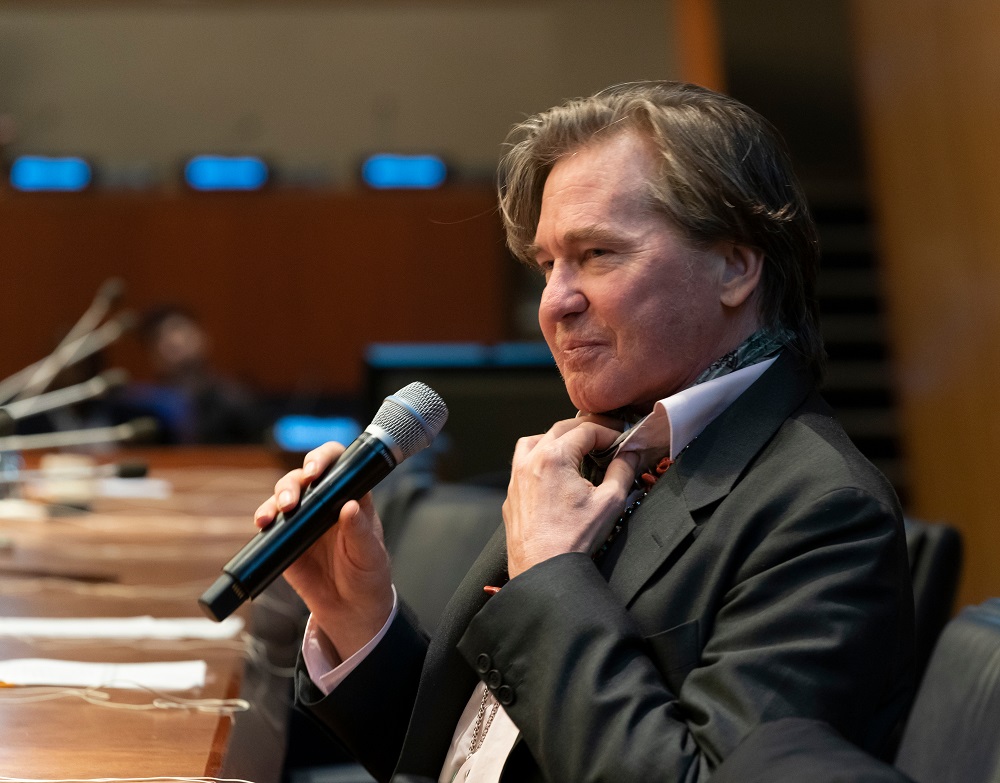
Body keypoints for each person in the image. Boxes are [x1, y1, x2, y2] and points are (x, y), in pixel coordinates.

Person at [254, 81, 915, 782]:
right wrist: (358, 615)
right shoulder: (604, 445)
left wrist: (549, 575)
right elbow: (468, 759)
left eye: (596, 254)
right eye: (547, 265)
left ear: (735, 265)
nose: (555, 303)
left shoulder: (823, 511)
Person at [126, 304, 266, 444]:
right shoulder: (145, 410)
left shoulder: (236, 397)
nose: (174, 340)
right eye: (159, 336)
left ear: (203, 337)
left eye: (179, 328)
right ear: (152, 356)